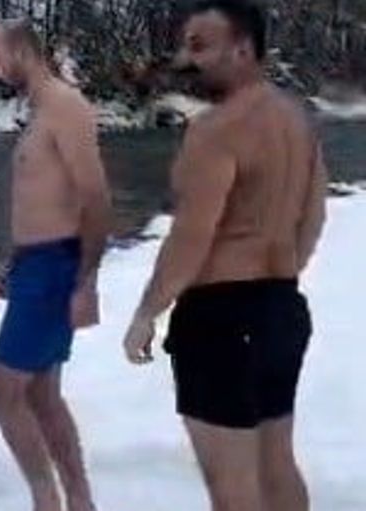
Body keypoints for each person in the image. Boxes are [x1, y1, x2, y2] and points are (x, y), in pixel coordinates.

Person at [122, 2, 327, 511]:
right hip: (281, 310)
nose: (186, 59)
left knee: (234, 490)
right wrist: (276, 280)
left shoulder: (216, 130)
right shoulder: (295, 119)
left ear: (242, 49)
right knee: (276, 465)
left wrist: (147, 312)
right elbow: (313, 214)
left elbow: (192, 234)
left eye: (199, 46)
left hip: (220, 320)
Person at [0, 20, 112, 511]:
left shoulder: (65, 107)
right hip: (36, 265)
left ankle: (48, 501)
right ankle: (79, 502)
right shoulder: (40, 112)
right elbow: (42, 201)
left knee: (0, 394)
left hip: (55, 268)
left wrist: (86, 282)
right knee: (40, 395)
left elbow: (95, 199)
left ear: (21, 51)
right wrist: (14, 266)